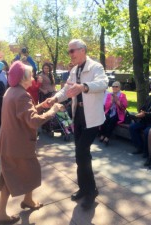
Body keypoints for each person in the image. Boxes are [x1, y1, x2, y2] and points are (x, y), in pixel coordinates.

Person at [0, 61, 62, 225]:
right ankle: (5, 212)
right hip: (18, 146)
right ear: (23, 78)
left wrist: (41, 106)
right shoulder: (22, 94)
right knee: (28, 173)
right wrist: (52, 111)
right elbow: (33, 122)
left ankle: (22, 203)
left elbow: (23, 113)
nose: (33, 79)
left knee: (9, 177)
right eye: (31, 76)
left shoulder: (11, 91)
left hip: (9, 144)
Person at [47, 39, 108, 210]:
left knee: (82, 153)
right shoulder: (74, 70)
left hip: (92, 119)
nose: (70, 55)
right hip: (79, 117)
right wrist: (54, 98)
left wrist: (83, 87)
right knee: (80, 155)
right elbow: (66, 91)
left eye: (72, 51)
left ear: (82, 50)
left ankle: (91, 191)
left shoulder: (96, 67)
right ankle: (84, 188)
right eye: (69, 51)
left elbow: (103, 84)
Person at [129, 82, 151, 156]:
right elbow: (143, 107)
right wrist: (141, 111)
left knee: (146, 132)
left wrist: (145, 114)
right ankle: (139, 147)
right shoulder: (149, 97)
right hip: (144, 120)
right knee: (132, 127)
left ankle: (147, 152)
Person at [99, 81, 128, 146]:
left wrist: (117, 101)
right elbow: (106, 106)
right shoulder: (109, 95)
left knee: (112, 120)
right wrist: (111, 101)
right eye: (113, 86)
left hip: (119, 113)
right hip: (110, 111)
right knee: (104, 119)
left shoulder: (122, 95)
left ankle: (107, 137)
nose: (114, 88)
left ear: (119, 87)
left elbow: (124, 107)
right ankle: (102, 134)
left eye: (116, 86)